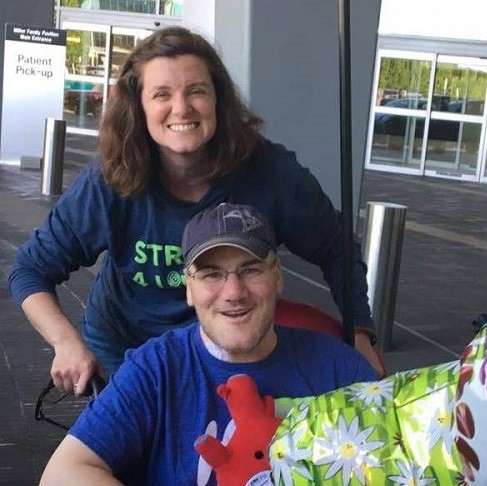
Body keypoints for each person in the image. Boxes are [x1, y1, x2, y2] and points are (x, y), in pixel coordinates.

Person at [35, 203, 388, 486]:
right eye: (211, 273)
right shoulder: (158, 369)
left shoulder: (339, 369)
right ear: (188, 287)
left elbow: (399, 477)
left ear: (278, 277)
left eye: (251, 269)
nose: (233, 292)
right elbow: (60, 484)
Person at [8, 26, 381, 396]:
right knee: (127, 449)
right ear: (139, 107)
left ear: (218, 98)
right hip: (123, 346)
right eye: (162, 95)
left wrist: (360, 333)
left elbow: (336, 248)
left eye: (196, 91)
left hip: (220, 345)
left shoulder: (271, 175)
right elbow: (30, 270)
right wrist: (66, 342)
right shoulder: (111, 178)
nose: (181, 108)